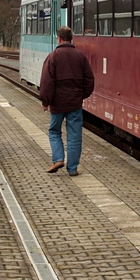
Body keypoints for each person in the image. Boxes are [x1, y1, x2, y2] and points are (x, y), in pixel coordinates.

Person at [39, 26, 95, 177]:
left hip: (57, 104)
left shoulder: (53, 56)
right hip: (75, 104)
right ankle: (73, 168)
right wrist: (81, 95)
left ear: (59, 38)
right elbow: (89, 80)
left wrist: (45, 101)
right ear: (71, 39)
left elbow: (46, 82)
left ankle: (58, 159)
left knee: (54, 131)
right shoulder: (80, 56)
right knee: (75, 135)